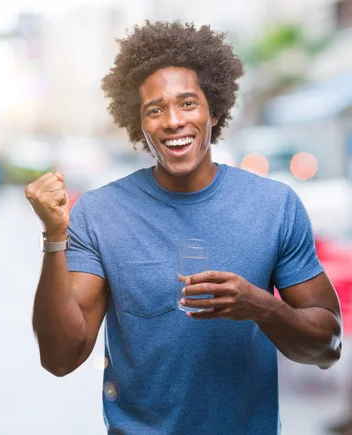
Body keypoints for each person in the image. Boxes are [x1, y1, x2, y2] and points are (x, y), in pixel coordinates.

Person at [24, 21, 343, 434]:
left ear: (215, 110)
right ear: (139, 124)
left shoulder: (275, 206)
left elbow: (328, 346)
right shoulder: (100, 213)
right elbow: (60, 357)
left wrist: (262, 307)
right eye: (155, 110)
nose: (173, 121)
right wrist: (54, 238)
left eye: (188, 103)